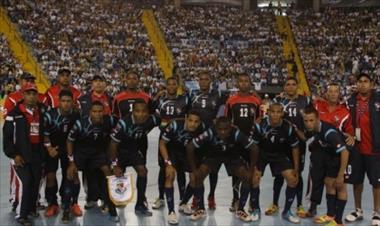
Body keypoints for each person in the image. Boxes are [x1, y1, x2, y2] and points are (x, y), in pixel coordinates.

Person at [186, 117, 259, 222]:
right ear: (216, 128)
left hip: (232, 156)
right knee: (198, 175)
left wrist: (251, 170)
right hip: (213, 156)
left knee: (247, 177)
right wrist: (194, 170)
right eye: (220, 129)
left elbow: (254, 148)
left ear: (231, 127)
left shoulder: (236, 133)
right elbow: (190, 147)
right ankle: (200, 208)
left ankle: (241, 209)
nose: (223, 132)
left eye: (226, 129)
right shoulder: (210, 132)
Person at [65, 101, 119, 223]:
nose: (97, 114)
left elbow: (121, 125)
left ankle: (111, 206)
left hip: (98, 153)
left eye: (100, 111)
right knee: (72, 173)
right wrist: (71, 162)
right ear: (90, 113)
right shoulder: (80, 124)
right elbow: (69, 141)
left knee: (108, 172)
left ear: (103, 112)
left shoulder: (109, 121)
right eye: (94, 111)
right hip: (82, 153)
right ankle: (68, 208)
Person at [308, 83, 354, 220]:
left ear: (339, 93)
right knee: (319, 180)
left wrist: (351, 136)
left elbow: (349, 132)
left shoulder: (345, 112)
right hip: (318, 151)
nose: (333, 94)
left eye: (336, 91)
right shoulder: (317, 106)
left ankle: (335, 217)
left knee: (337, 184)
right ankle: (316, 208)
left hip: (335, 153)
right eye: (330, 91)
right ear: (326, 94)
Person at [3, 83, 47, 226]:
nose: (32, 96)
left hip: (37, 153)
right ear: (22, 95)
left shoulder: (42, 111)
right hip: (19, 154)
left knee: (35, 182)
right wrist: (14, 155)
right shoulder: (13, 114)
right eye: (28, 93)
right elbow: (7, 138)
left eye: (34, 93)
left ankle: (32, 208)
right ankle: (22, 215)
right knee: (26, 182)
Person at [250, 103, 301, 223]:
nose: (275, 115)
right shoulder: (259, 126)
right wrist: (253, 166)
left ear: (282, 114)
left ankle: (287, 211)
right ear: (268, 113)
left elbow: (295, 147)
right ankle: (256, 209)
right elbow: (253, 147)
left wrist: (296, 168)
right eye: (273, 112)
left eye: (278, 112)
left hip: (279, 155)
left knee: (292, 179)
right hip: (261, 154)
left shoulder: (288, 127)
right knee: (254, 178)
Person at [109, 101, 160, 216]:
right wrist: (114, 164)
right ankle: (111, 203)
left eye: (144, 111)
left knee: (143, 171)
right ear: (133, 112)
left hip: (133, 150)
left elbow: (163, 119)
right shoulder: (123, 124)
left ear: (148, 113)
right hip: (119, 150)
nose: (141, 114)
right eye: (137, 111)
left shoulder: (152, 120)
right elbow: (113, 145)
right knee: (116, 175)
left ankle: (140, 204)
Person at [270, 77, 312, 217]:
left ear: (297, 86)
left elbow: (311, 120)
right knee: (279, 175)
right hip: (282, 144)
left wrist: (306, 135)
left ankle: (299, 205)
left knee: (297, 172)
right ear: (284, 87)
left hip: (299, 143)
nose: (291, 87)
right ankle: (275, 203)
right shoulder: (279, 102)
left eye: (294, 84)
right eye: (288, 84)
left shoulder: (305, 101)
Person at [303, 106, 350, 226]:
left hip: (346, 156)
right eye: (306, 121)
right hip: (334, 156)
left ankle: (338, 221)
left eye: (311, 120)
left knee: (340, 186)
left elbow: (345, 152)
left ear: (318, 119)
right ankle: (330, 215)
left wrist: (340, 175)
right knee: (329, 182)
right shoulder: (317, 129)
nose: (308, 124)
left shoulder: (329, 133)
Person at [345, 73, 380, 226]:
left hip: (374, 149)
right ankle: (358, 210)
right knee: (356, 181)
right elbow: (345, 123)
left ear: (371, 84)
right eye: (360, 81)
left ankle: (377, 213)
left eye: (366, 81)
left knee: (376, 183)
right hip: (356, 150)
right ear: (356, 84)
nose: (363, 84)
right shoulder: (351, 101)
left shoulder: (378, 100)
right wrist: (348, 135)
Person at [159, 110, 206, 224]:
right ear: (186, 119)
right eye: (190, 120)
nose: (193, 124)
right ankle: (171, 212)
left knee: (195, 178)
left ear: (200, 123)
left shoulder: (202, 128)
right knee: (170, 176)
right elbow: (162, 144)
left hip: (189, 153)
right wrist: (168, 163)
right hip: (173, 151)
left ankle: (183, 203)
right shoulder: (175, 125)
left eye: (196, 122)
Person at [188, 71, 226, 210]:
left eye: (206, 79)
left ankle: (211, 195)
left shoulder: (218, 94)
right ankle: (196, 197)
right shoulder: (192, 94)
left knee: (213, 170)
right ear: (198, 81)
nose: (204, 81)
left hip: (212, 137)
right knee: (196, 169)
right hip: (196, 137)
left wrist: (219, 117)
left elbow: (224, 106)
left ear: (211, 81)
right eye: (201, 79)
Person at [225, 73, 261, 212]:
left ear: (250, 83)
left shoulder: (256, 101)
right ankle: (235, 198)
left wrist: (252, 133)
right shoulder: (231, 100)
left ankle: (252, 201)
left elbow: (259, 119)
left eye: (246, 81)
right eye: (241, 81)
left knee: (252, 170)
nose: (244, 83)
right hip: (236, 142)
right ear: (237, 83)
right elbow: (228, 121)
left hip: (252, 142)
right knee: (236, 172)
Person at [153, 77, 191, 210]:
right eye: (169, 84)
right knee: (163, 169)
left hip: (180, 139)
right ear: (166, 86)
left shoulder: (184, 99)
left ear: (177, 86)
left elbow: (192, 115)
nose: (171, 86)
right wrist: (156, 95)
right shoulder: (161, 100)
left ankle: (182, 200)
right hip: (164, 139)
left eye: (174, 84)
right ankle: (161, 197)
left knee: (180, 169)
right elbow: (155, 115)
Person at [77, 74, 113, 210]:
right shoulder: (82, 100)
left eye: (101, 81)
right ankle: (91, 197)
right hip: (87, 141)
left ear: (105, 84)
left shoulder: (111, 99)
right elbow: (78, 118)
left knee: (105, 170)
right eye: (96, 81)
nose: (98, 84)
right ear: (92, 84)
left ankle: (105, 198)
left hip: (105, 141)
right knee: (89, 171)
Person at [43, 90, 79, 218]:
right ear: (59, 102)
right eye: (63, 101)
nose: (66, 104)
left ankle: (72, 202)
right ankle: (52, 203)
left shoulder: (76, 116)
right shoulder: (49, 115)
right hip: (53, 149)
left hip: (69, 149)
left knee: (72, 174)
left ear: (72, 102)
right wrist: (49, 148)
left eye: (69, 101)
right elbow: (45, 135)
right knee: (51, 176)